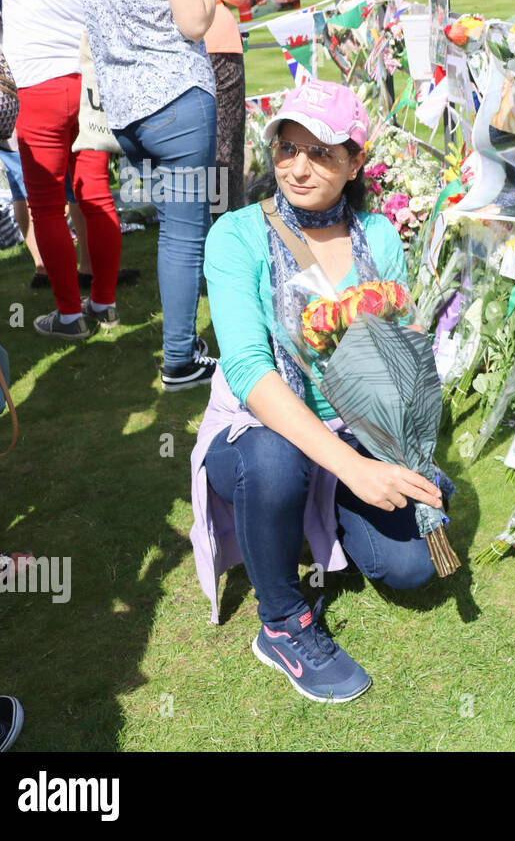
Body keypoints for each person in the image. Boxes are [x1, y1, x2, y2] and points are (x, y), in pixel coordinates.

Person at [190, 80, 443, 703]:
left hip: (355, 428)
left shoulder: (378, 237)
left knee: (415, 567)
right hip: (262, 430)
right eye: (286, 149)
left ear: (356, 160)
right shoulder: (237, 235)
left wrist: (402, 446)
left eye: (321, 152)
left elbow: (397, 353)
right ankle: (281, 622)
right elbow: (251, 374)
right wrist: (356, 471)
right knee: (278, 461)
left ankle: (318, 521)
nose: (298, 168)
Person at [76, 0, 240, 388]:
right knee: (185, 237)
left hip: (127, 110)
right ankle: (179, 360)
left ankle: (182, 349)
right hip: (175, 101)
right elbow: (194, 22)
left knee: (174, 231)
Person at [0, 0, 123, 340]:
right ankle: (105, 302)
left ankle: (70, 315)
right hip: (91, 79)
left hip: (35, 84)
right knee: (95, 193)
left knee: (46, 206)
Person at [163, 0, 248, 217]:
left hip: (161, 42)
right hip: (215, 39)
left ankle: (181, 225)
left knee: (174, 150)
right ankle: (226, 228)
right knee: (224, 151)